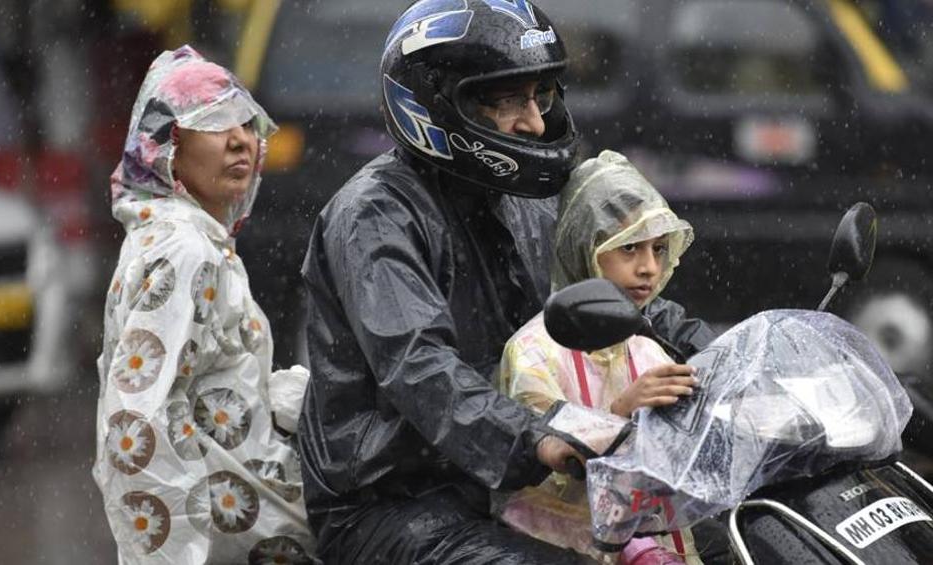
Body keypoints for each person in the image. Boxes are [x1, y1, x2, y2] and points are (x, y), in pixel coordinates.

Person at [297, 2, 715, 563]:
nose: (535, 122)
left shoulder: (527, 201)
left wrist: (722, 358)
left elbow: (618, 294)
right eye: (508, 101)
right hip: (397, 500)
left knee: (720, 536)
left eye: (540, 96)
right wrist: (537, 435)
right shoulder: (375, 215)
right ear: (438, 104)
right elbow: (421, 368)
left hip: (511, 483)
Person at [92, 46, 314, 563]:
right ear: (166, 147)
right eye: (213, 123)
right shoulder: (184, 250)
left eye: (245, 121)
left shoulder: (186, 240)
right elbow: (137, 425)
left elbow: (205, 389)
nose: (240, 139)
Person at [497, 150, 704, 563]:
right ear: (584, 247)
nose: (648, 267)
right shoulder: (533, 352)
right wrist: (620, 412)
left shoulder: (647, 347)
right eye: (629, 248)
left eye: (659, 249)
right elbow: (538, 479)